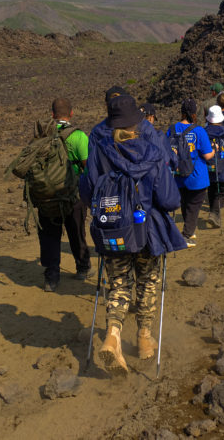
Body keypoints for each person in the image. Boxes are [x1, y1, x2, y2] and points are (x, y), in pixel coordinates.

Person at [81, 94, 185, 374]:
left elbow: (87, 192)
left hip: (114, 230)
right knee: (148, 281)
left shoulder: (100, 150)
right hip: (147, 231)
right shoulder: (152, 151)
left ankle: (113, 335)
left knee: (119, 285)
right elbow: (169, 199)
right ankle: (144, 339)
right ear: (137, 123)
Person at [37, 97, 91, 292]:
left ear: (52, 114)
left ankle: (51, 278)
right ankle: (82, 268)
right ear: (71, 113)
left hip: (47, 195)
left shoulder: (43, 135)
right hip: (72, 195)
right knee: (76, 231)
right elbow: (88, 167)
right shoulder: (79, 137)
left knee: (49, 236)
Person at [166, 98, 214, 246]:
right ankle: (186, 235)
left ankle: (189, 231)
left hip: (178, 174)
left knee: (185, 203)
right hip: (196, 175)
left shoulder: (171, 129)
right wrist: (214, 150)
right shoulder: (199, 131)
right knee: (194, 206)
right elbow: (207, 155)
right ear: (194, 113)